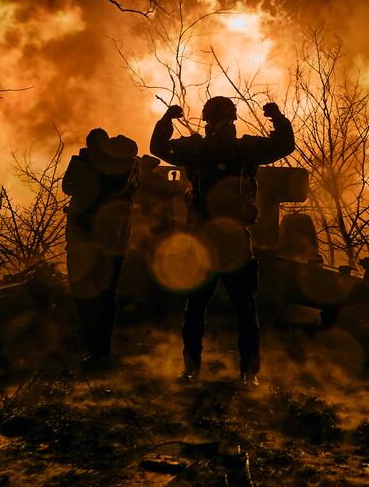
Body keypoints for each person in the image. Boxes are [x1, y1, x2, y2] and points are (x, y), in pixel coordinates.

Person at [150, 96, 295, 385]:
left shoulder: (201, 150)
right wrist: (277, 119)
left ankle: (211, 370)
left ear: (206, 121)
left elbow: (159, 148)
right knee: (232, 310)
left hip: (215, 238)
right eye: (224, 119)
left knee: (216, 309)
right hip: (223, 238)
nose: (224, 125)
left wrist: (166, 121)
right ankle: (241, 373)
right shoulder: (244, 150)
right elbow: (283, 145)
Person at [63, 128, 138, 365]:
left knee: (89, 295)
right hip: (110, 243)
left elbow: (71, 187)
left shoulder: (113, 168)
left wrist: (86, 162)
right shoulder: (127, 167)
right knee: (102, 297)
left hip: (90, 242)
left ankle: (95, 348)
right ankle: (99, 349)